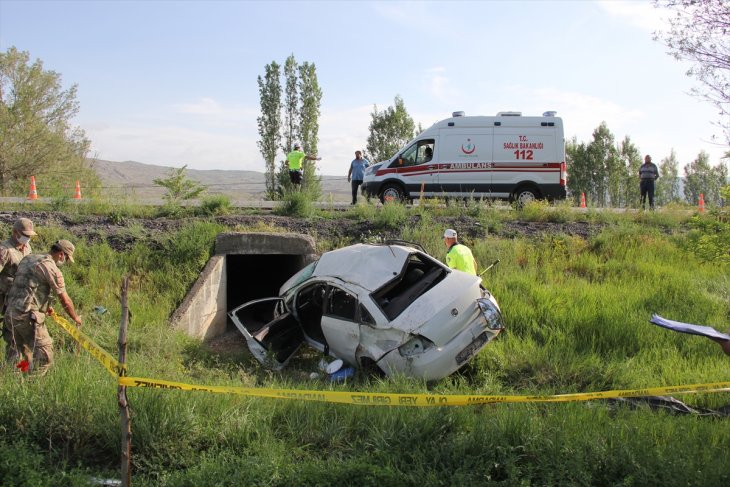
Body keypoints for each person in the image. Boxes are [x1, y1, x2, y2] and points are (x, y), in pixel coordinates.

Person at [4, 240, 82, 375]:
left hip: (10, 313)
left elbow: (27, 285)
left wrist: (44, 306)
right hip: (26, 316)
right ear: (61, 254)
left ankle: (15, 380)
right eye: (67, 258)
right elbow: (65, 299)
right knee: (45, 355)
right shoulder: (51, 267)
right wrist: (75, 317)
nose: (66, 262)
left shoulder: (29, 258)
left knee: (19, 352)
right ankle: (32, 383)